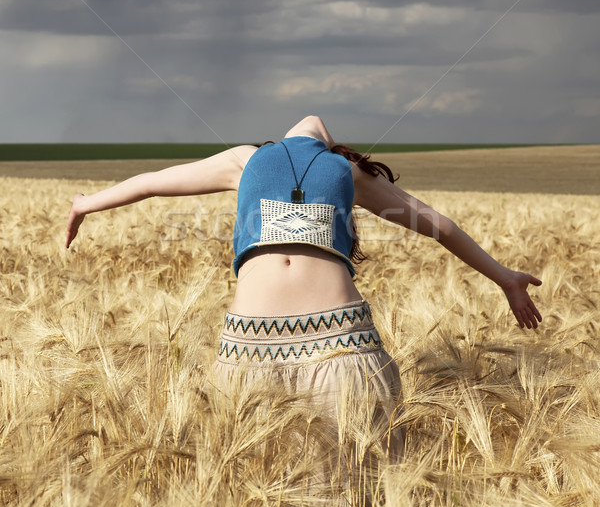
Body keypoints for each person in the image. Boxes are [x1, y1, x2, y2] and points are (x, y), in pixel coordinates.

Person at [65, 115, 542, 459]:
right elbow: (441, 225)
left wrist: (87, 203)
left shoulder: (248, 160)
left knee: (276, 474)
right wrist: (503, 278)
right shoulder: (343, 171)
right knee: (347, 475)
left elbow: (151, 182)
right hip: (337, 344)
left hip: (278, 344)